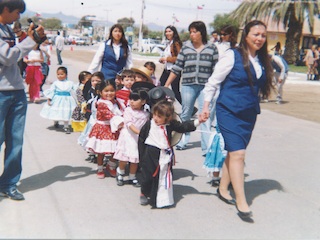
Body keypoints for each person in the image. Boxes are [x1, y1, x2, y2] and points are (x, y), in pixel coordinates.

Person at [202, 20, 274, 219]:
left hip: (248, 114)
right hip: (229, 111)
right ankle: (242, 201)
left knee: (234, 153)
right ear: (246, 35)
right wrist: (206, 107)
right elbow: (213, 83)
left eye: (263, 35)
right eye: (256, 34)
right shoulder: (232, 56)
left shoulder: (261, 60)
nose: (259, 38)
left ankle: (223, 189)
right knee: (239, 154)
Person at [0, 0, 46, 201]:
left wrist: (30, 38)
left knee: (15, 141)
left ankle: (9, 183)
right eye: (17, 12)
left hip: (17, 92)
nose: (18, 17)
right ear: (6, 9)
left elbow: (16, 50)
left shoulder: (7, 30)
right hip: (1, 93)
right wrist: (32, 40)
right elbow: (8, 57)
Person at [164, 21, 219, 155]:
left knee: (205, 115)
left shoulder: (212, 48)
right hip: (188, 85)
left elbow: (217, 70)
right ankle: (182, 141)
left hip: (206, 87)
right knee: (186, 113)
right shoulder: (186, 48)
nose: (192, 34)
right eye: (191, 32)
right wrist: (166, 84)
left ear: (202, 33)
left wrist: (217, 87)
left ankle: (206, 147)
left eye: (195, 32)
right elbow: (177, 68)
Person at [138, 100, 205, 208]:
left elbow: (183, 127)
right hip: (150, 153)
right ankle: (144, 192)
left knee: (161, 177)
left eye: (159, 116)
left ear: (168, 118)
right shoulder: (149, 124)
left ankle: (158, 198)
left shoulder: (171, 124)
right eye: (154, 114)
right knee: (148, 176)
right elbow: (141, 139)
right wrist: (141, 156)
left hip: (164, 154)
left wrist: (198, 121)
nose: (155, 118)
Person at [205, 25, 238, 187]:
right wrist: (206, 104)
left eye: (225, 34)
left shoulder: (238, 51)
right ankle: (216, 174)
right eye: (221, 34)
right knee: (219, 136)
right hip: (220, 98)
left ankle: (231, 175)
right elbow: (214, 79)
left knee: (233, 143)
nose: (222, 37)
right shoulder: (217, 48)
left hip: (235, 101)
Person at [85, 80, 124, 179]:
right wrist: (122, 122)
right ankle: (100, 167)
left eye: (112, 91)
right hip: (103, 128)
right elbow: (110, 115)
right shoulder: (101, 104)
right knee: (101, 151)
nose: (109, 93)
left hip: (114, 128)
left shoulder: (116, 102)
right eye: (106, 91)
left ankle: (111, 165)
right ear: (100, 92)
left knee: (116, 149)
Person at [113, 89, 150, 187]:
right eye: (131, 99)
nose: (132, 102)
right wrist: (140, 133)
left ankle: (132, 176)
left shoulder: (146, 114)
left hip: (137, 139)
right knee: (124, 158)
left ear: (143, 101)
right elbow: (129, 124)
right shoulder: (128, 110)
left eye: (135, 99)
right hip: (128, 137)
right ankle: (120, 172)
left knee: (135, 159)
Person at [40, 66, 77, 134]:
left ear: (66, 74)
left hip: (67, 100)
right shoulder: (55, 83)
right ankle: (56, 121)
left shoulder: (70, 83)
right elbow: (52, 91)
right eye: (58, 74)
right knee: (57, 111)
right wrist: (49, 99)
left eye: (62, 74)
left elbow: (76, 89)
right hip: (57, 99)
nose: (60, 76)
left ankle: (66, 126)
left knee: (66, 112)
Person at [77, 71, 104, 163]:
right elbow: (84, 98)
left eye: (98, 80)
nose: (95, 82)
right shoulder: (88, 90)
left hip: (100, 117)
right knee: (90, 133)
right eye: (93, 81)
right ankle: (92, 153)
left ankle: (99, 153)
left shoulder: (104, 91)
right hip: (91, 115)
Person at [159, 25, 183, 104]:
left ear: (174, 32)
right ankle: (161, 103)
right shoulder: (169, 43)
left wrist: (166, 59)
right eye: (166, 31)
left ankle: (188, 107)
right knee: (161, 85)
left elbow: (179, 58)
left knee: (175, 90)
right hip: (167, 69)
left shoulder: (176, 43)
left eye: (170, 31)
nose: (167, 33)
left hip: (174, 70)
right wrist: (164, 60)